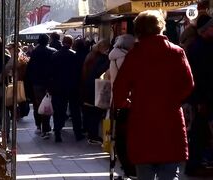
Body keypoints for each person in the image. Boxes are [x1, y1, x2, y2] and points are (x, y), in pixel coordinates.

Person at [113, 10, 194, 180]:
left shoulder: (135, 55)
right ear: (161, 27)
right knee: (170, 170)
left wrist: (126, 103)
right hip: (170, 119)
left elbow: (119, 88)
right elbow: (188, 84)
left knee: (145, 170)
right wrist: (173, 100)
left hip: (142, 120)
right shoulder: (176, 52)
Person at [185, 14, 213, 176]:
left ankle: (195, 164)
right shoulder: (199, 48)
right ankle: (194, 164)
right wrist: (201, 100)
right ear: (204, 30)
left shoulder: (200, 45)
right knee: (199, 132)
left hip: (202, 97)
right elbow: (200, 76)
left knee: (199, 132)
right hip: (203, 98)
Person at [108, 34, 136, 177]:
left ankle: (125, 164)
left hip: (117, 99)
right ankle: (129, 165)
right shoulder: (124, 58)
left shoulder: (114, 57)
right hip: (126, 101)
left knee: (119, 134)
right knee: (124, 135)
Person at [50, 35, 85, 142]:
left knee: (59, 111)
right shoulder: (75, 56)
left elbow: (50, 74)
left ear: (62, 42)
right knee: (75, 111)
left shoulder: (55, 55)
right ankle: (78, 133)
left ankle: (57, 132)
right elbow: (79, 72)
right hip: (72, 87)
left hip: (58, 87)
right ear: (71, 43)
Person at [26, 34, 56, 139]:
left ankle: (38, 126)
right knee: (47, 105)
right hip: (48, 83)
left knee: (37, 104)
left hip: (37, 83)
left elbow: (30, 69)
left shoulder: (34, 52)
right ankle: (46, 128)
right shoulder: (52, 51)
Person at [81, 39, 110, 145]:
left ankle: (90, 133)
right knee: (95, 112)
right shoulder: (103, 58)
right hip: (96, 87)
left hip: (87, 86)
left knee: (89, 111)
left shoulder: (91, 55)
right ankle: (93, 136)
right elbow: (99, 72)